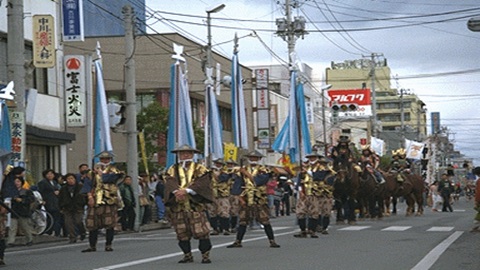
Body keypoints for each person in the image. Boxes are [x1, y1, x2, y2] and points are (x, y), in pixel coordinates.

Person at [164, 145, 214, 264]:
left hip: (195, 205)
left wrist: (186, 190)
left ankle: (205, 255)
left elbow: (203, 183)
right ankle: (187, 255)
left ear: (193, 154)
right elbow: (169, 181)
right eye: (182, 153)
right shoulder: (172, 169)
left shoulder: (200, 168)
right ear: (178, 155)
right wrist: (176, 191)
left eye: (188, 153)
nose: (185, 155)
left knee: (202, 232)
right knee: (182, 232)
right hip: (179, 206)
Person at [226, 150, 280, 248]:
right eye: (251, 158)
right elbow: (237, 185)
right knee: (243, 220)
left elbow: (258, 181)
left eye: (255, 158)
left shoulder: (263, 170)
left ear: (259, 159)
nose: (253, 160)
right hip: (246, 197)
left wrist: (246, 173)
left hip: (259, 198)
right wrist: (240, 198)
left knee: (265, 220)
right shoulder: (242, 170)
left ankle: (272, 240)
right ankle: (238, 241)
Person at [82, 151, 123, 252]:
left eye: (107, 159)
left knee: (110, 224)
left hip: (109, 199)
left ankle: (108, 245)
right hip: (96, 198)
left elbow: (114, 178)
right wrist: (89, 197)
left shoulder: (114, 170)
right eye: (103, 159)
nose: (105, 161)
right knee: (92, 224)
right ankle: (92, 246)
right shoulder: (91, 172)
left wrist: (102, 175)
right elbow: (87, 185)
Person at [294, 152, 332, 238]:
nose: (312, 159)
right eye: (310, 157)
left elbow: (320, 177)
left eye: (313, 157)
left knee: (314, 212)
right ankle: (303, 230)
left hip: (315, 193)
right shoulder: (305, 167)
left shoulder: (321, 168)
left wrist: (309, 172)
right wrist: (300, 190)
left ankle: (312, 230)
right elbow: (300, 179)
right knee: (300, 212)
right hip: (304, 193)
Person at [58, 173, 86, 243]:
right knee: (68, 223)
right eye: (68, 179)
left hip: (78, 207)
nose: (70, 180)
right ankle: (72, 237)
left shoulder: (80, 187)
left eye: (72, 178)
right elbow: (60, 198)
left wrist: (83, 203)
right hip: (67, 207)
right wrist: (61, 207)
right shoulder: (63, 188)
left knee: (78, 221)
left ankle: (82, 232)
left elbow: (85, 197)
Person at [7, 177, 34, 247]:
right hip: (14, 211)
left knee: (25, 227)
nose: (16, 183)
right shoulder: (11, 192)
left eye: (18, 181)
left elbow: (31, 199)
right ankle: (10, 241)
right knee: (12, 227)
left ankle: (29, 239)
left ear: (21, 182)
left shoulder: (27, 191)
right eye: (15, 182)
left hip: (23, 211)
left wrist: (22, 200)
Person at [208, 158, 232, 235]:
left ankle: (226, 228)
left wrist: (216, 175)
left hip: (223, 194)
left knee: (224, 211)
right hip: (212, 194)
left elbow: (222, 179)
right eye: (216, 163)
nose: (218, 165)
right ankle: (215, 228)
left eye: (220, 164)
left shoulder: (226, 172)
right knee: (212, 211)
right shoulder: (209, 171)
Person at [37, 169, 62, 237]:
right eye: (48, 174)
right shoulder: (43, 182)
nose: (50, 175)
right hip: (48, 201)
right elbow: (41, 192)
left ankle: (57, 232)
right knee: (50, 216)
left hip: (56, 202)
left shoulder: (54, 182)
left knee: (56, 217)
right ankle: (49, 231)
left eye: (51, 174)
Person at [226, 159, 242, 233]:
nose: (230, 166)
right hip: (226, 194)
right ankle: (227, 226)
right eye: (228, 164)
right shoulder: (225, 173)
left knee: (235, 211)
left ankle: (234, 226)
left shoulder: (238, 175)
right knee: (226, 211)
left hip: (236, 193)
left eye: (231, 164)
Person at [470, 167, 480, 232]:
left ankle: (477, 223)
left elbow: (478, 192)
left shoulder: (479, 181)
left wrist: (476, 201)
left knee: (476, 219)